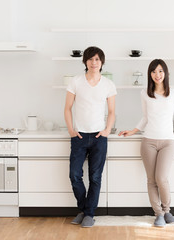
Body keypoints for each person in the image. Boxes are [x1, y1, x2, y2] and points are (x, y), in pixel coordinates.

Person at [119, 59, 174, 227]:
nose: (157, 75)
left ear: (166, 73)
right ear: (149, 74)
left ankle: (167, 211)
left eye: (160, 71)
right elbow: (145, 118)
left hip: (168, 142)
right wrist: (132, 131)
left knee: (162, 178)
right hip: (148, 142)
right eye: (153, 71)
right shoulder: (145, 93)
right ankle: (158, 214)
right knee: (151, 180)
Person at [64, 46, 117, 227]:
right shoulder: (76, 81)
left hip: (98, 136)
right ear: (85, 61)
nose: (94, 63)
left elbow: (111, 111)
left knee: (95, 177)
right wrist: (71, 129)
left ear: (101, 62)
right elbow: (67, 108)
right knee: (74, 175)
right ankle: (85, 209)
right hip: (78, 136)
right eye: (90, 59)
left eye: (97, 59)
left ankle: (88, 214)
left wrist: (107, 130)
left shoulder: (108, 84)